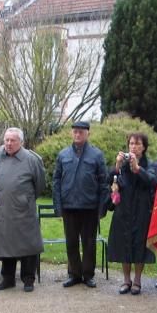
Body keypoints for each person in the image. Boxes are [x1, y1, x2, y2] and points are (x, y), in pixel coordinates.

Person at [52, 120, 108, 288]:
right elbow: (56, 181)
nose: (77, 134)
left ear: (87, 134)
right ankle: (74, 274)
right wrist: (58, 207)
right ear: (72, 133)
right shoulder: (63, 155)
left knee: (89, 243)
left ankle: (88, 275)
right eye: (75, 131)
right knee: (71, 243)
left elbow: (103, 183)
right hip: (69, 206)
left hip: (89, 207)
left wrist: (102, 208)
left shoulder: (96, 155)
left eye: (81, 132)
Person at [0, 128, 45, 292]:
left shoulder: (32, 159)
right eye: (6, 140)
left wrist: (24, 198)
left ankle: (28, 279)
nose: (9, 143)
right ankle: (7, 278)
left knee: (28, 245)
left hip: (24, 210)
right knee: (6, 244)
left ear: (21, 142)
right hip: (4, 209)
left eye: (13, 140)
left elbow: (40, 185)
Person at [107, 132, 157, 295]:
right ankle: (126, 280)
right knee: (123, 243)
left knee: (139, 244)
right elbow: (110, 179)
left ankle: (137, 280)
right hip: (123, 209)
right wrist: (117, 165)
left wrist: (137, 169)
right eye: (131, 143)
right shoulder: (123, 164)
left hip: (141, 209)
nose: (133, 147)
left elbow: (153, 181)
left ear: (144, 147)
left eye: (137, 144)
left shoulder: (149, 164)